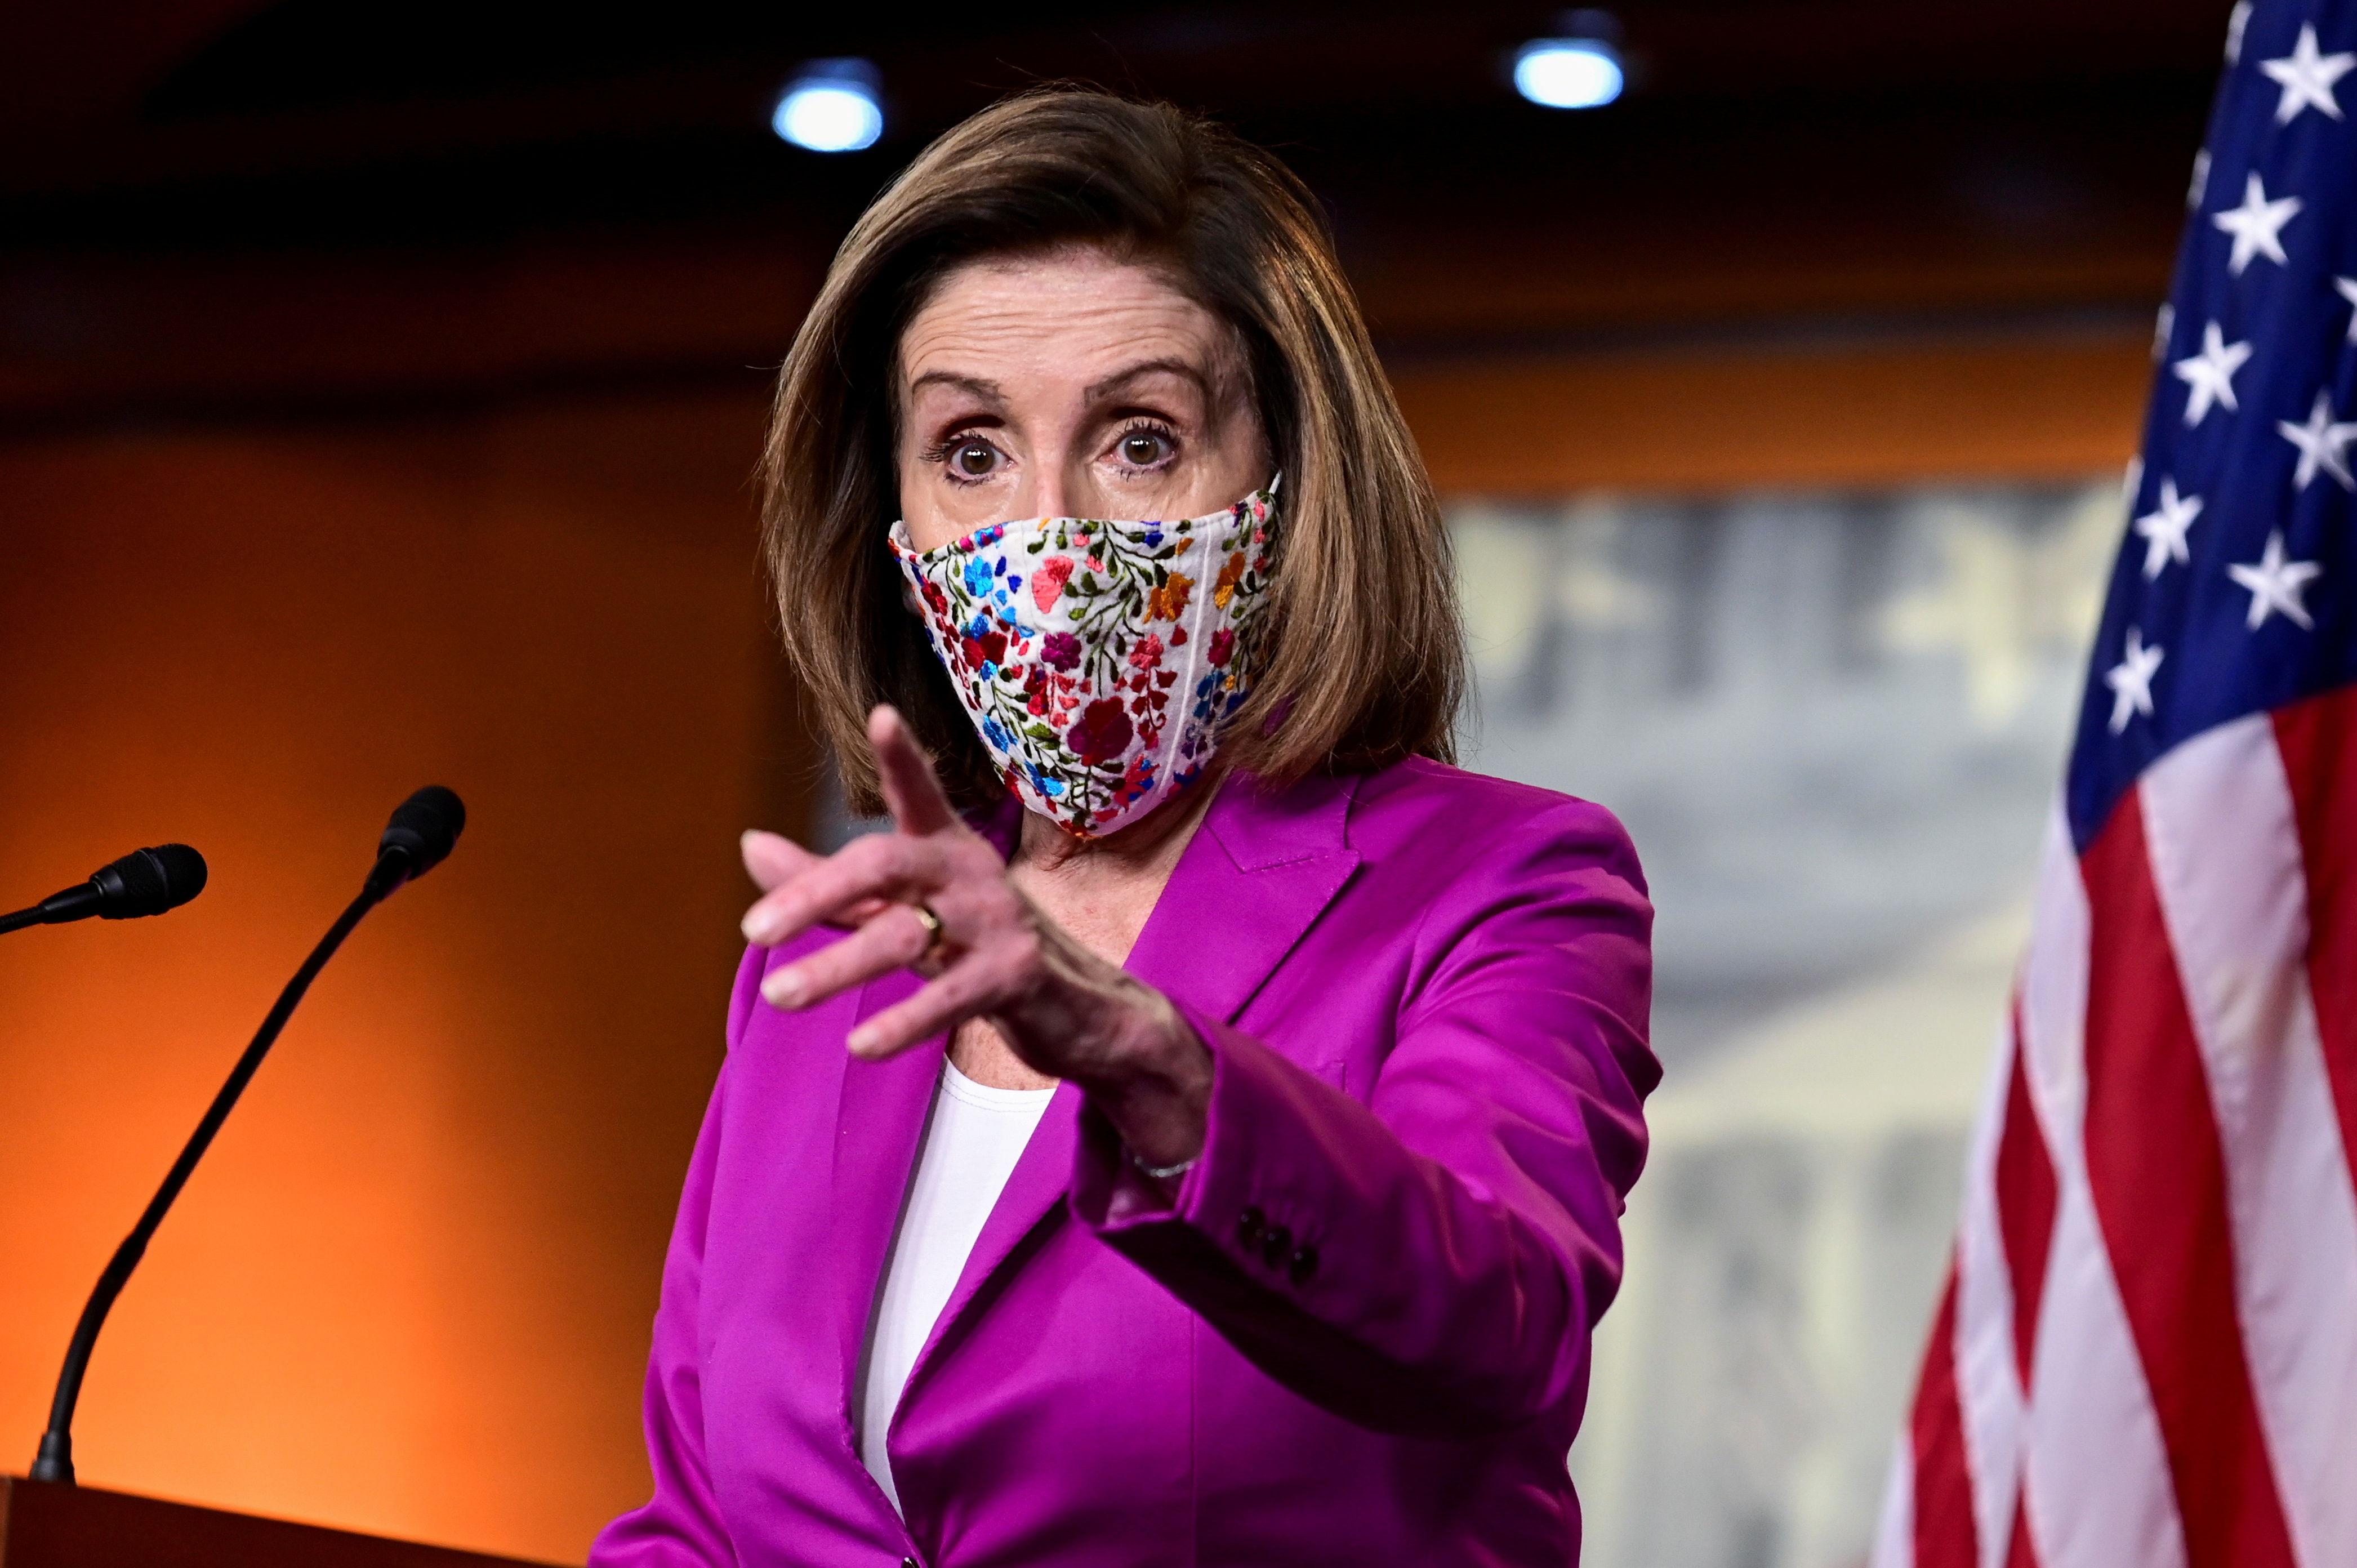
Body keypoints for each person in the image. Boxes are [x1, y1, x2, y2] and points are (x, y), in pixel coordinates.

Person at [590, 88, 1656, 1568]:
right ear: (886, 517)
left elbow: (1497, 1327)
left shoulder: (1503, 883)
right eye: (969, 451)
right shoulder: (838, 958)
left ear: (1286, 488)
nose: (1046, 528)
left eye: (1139, 440)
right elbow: (700, 1523)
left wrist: (1155, 1069)